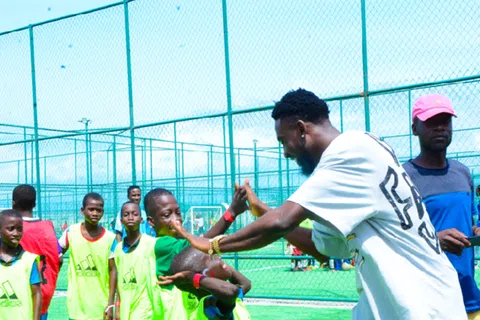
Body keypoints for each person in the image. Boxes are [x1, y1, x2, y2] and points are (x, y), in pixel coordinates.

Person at [170, 88, 467, 319]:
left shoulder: (349, 151)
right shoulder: (355, 157)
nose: (286, 152)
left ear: (301, 130)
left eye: (284, 141)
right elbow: (322, 246)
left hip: (425, 307)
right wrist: (263, 211)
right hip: (403, 306)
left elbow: (281, 222)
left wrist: (212, 244)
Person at [403, 93, 480, 318]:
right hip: (428, 302)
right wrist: (435, 239)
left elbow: (470, 218)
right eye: (431, 122)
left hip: (469, 297)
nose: (440, 128)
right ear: (415, 128)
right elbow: (395, 237)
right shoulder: (403, 178)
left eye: (445, 121)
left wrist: (476, 230)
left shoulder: (463, 172)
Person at [144, 186, 248, 319]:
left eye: (178, 213)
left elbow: (245, 284)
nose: (176, 219)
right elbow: (204, 243)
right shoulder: (161, 245)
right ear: (151, 221)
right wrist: (231, 213)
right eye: (167, 215)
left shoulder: (178, 242)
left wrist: (222, 266)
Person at [58, 192, 117, 320]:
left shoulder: (110, 238)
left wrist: (111, 302)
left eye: (98, 210)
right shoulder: (71, 232)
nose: (95, 213)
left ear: (103, 212)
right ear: (82, 211)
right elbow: (56, 251)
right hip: (76, 307)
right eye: (91, 209)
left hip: (101, 306)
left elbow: (113, 270)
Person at [158, 246, 251, 320]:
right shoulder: (208, 307)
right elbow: (231, 291)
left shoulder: (226, 297)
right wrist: (190, 276)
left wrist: (223, 266)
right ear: (203, 274)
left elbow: (245, 284)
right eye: (212, 258)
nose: (219, 257)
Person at [12, 184, 61, 320]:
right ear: (34, 204)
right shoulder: (48, 227)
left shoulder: (10, 231)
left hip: (17, 296)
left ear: (13, 204)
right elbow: (59, 259)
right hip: (43, 295)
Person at [110, 201, 159, 319]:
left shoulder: (152, 243)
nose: (130, 217)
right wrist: (117, 307)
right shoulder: (118, 248)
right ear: (121, 221)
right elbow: (119, 281)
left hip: (146, 310)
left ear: (141, 220)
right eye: (126, 215)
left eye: (135, 214)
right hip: (125, 310)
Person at [0, 210, 42, 320]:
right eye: (10, 229)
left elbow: (36, 294)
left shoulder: (29, 260)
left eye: (19, 229)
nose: (16, 233)